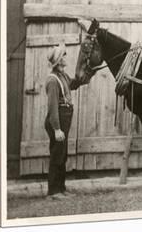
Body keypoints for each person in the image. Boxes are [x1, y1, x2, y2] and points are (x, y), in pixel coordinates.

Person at [45, 43, 90, 200]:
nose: (66, 57)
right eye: (63, 55)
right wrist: (57, 129)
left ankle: (61, 188)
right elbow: (52, 108)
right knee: (57, 155)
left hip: (65, 117)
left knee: (62, 154)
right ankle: (53, 192)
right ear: (58, 60)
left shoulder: (62, 75)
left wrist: (87, 76)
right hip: (57, 120)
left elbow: (73, 84)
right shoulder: (52, 80)